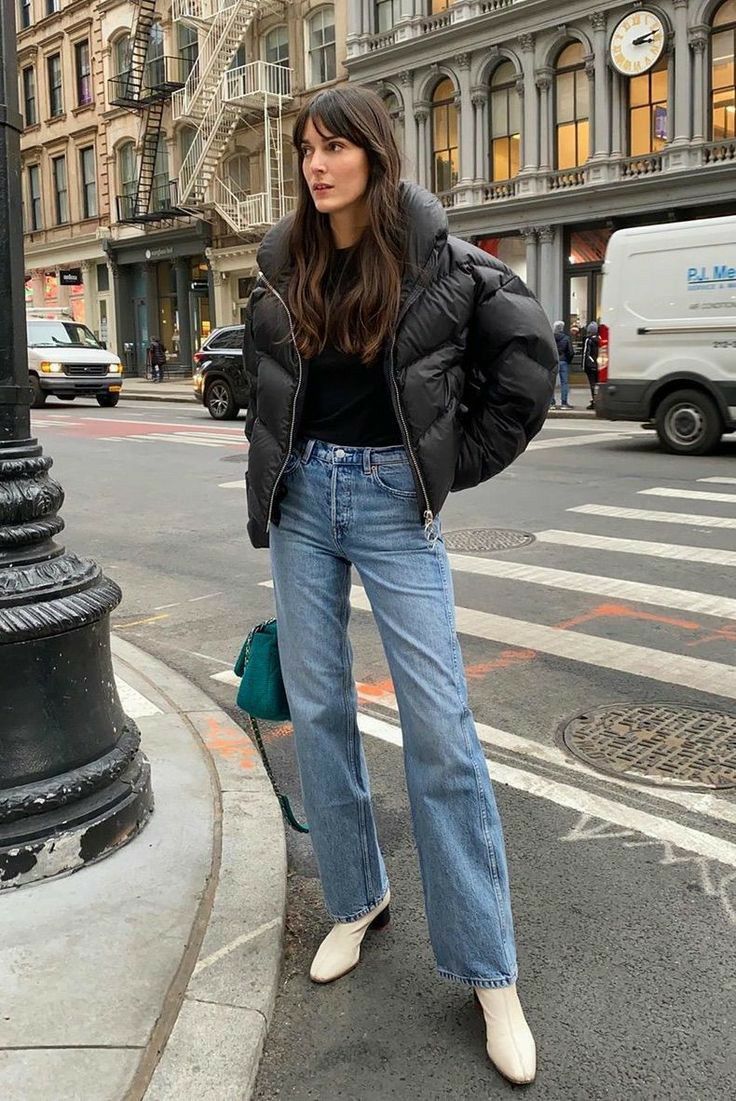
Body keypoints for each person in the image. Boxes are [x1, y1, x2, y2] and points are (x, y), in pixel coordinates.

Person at [242, 87, 556, 1086]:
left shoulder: (442, 262)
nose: (315, 163)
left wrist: (444, 468)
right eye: (304, 148)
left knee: (441, 734)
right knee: (322, 714)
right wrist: (273, 467)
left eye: (334, 146)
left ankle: (486, 969)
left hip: (390, 506)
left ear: (376, 155)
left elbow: (527, 368)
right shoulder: (281, 264)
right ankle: (355, 898)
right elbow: (268, 389)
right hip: (302, 505)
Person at [551, 320, 574, 409]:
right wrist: (568, 360)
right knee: (564, 382)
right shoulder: (566, 338)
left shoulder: (551, 338)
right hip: (563, 361)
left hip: (553, 361)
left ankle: (551, 403)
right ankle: (564, 403)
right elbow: (571, 352)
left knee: (551, 382)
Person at [581, 321, 599, 410]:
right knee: (597, 383)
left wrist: (583, 366)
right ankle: (598, 401)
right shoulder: (600, 339)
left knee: (592, 384)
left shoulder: (588, 340)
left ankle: (594, 401)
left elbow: (585, 353)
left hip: (590, 365)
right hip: (598, 365)